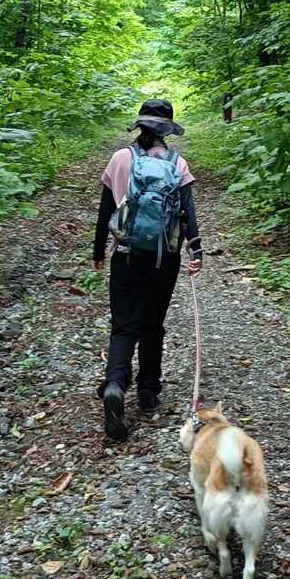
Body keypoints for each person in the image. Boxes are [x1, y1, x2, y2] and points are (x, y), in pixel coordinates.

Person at [92, 99, 203, 442]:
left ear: (139, 126)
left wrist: (98, 251)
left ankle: (115, 385)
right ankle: (148, 392)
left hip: (125, 254)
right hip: (164, 257)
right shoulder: (177, 163)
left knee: (124, 325)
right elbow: (188, 213)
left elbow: (106, 210)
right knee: (153, 323)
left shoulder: (120, 158)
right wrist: (196, 250)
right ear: (168, 130)